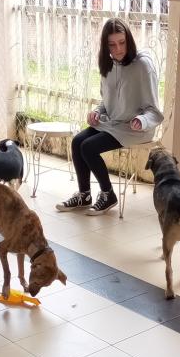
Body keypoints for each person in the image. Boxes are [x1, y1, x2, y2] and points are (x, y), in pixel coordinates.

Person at [56, 18, 163, 216]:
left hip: (136, 128)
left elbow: (154, 111)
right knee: (78, 141)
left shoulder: (142, 65)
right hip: (114, 123)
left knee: (88, 147)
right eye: (112, 45)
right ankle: (84, 194)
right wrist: (97, 112)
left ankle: (108, 195)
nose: (119, 49)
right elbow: (106, 102)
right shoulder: (108, 64)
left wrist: (142, 121)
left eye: (122, 42)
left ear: (129, 40)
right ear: (106, 47)